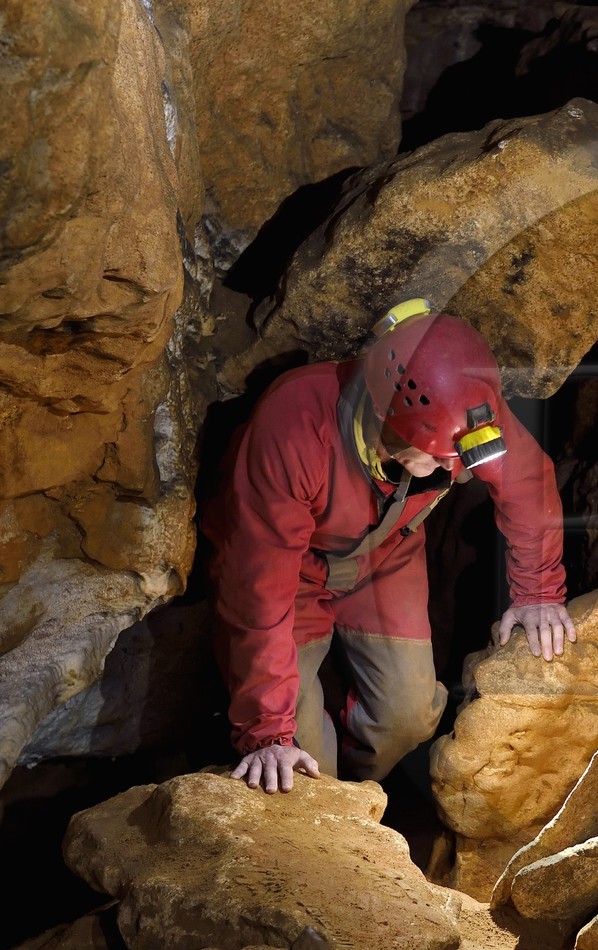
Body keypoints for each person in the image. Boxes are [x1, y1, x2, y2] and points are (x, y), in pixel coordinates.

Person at [203, 299, 576, 794]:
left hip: (385, 556)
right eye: (438, 458)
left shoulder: (460, 403)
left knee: (408, 717)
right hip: (289, 574)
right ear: (388, 421)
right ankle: (328, 800)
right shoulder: (294, 429)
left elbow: (527, 481)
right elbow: (258, 594)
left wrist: (538, 593)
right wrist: (267, 732)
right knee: (301, 768)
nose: (452, 471)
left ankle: (363, 797)